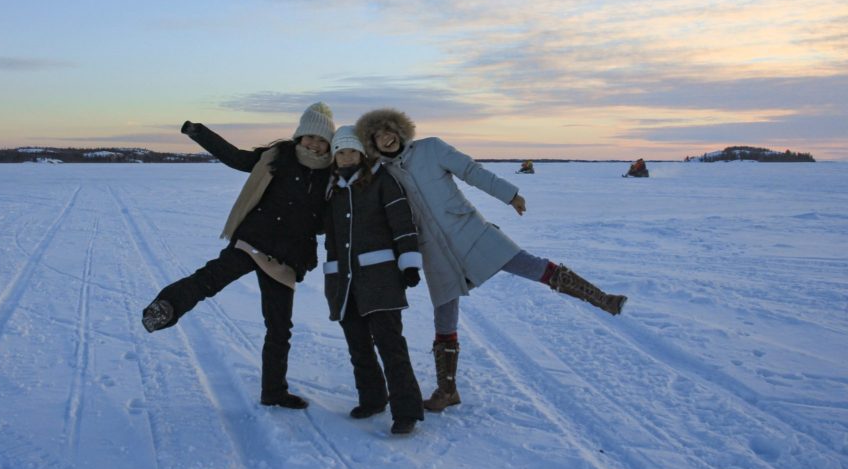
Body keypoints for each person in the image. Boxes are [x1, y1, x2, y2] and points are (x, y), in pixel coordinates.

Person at [355, 108, 627, 412]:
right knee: (444, 316)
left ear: (400, 130)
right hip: (433, 251)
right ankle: (447, 392)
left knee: (530, 265)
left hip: (469, 230)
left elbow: (471, 171)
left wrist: (510, 195)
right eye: (377, 135)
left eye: (388, 130)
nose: (386, 138)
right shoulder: (384, 172)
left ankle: (603, 299)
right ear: (372, 142)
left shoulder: (431, 148)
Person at [142, 102, 335, 409]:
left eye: (321, 139)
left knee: (279, 328)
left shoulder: (331, 174)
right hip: (255, 240)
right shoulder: (275, 157)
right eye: (309, 136)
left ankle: (273, 391)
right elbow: (235, 157)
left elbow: (327, 217)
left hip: (288, 256)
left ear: (329, 143)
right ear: (299, 136)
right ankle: (166, 306)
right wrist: (198, 132)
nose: (314, 143)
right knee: (209, 280)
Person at [322, 126, 425, 435]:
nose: (346, 157)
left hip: (380, 279)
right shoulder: (332, 190)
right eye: (340, 152)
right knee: (358, 345)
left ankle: (406, 410)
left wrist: (409, 263)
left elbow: (402, 222)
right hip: (344, 281)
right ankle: (372, 398)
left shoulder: (382, 182)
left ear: (362, 154)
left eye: (351, 151)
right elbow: (328, 237)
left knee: (391, 345)